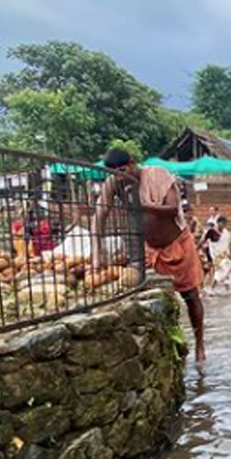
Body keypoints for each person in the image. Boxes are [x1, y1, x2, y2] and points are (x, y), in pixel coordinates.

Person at [95, 148, 207, 363]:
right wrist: (97, 251)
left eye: (122, 170)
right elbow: (100, 214)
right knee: (164, 300)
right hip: (151, 249)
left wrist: (145, 206)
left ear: (133, 163)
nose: (119, 175)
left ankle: (200, 344)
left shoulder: (157, 174)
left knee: (191, 296)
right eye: (114, 172)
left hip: (178, 244)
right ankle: (175, 343)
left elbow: (173, 208)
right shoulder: (114, 184)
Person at [208, 216, 231, 290]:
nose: (224, 225)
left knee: (225, 271)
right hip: (216, 255)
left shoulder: (227, 233)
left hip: (224, 254)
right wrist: (214, 257)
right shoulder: (212, 232)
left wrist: (227, 252)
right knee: (220, 271)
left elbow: (227, 243)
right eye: (222, 223)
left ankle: (227, 289)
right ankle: (212, 288)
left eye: (225, 224)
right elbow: (210, 245)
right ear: (218, 223)